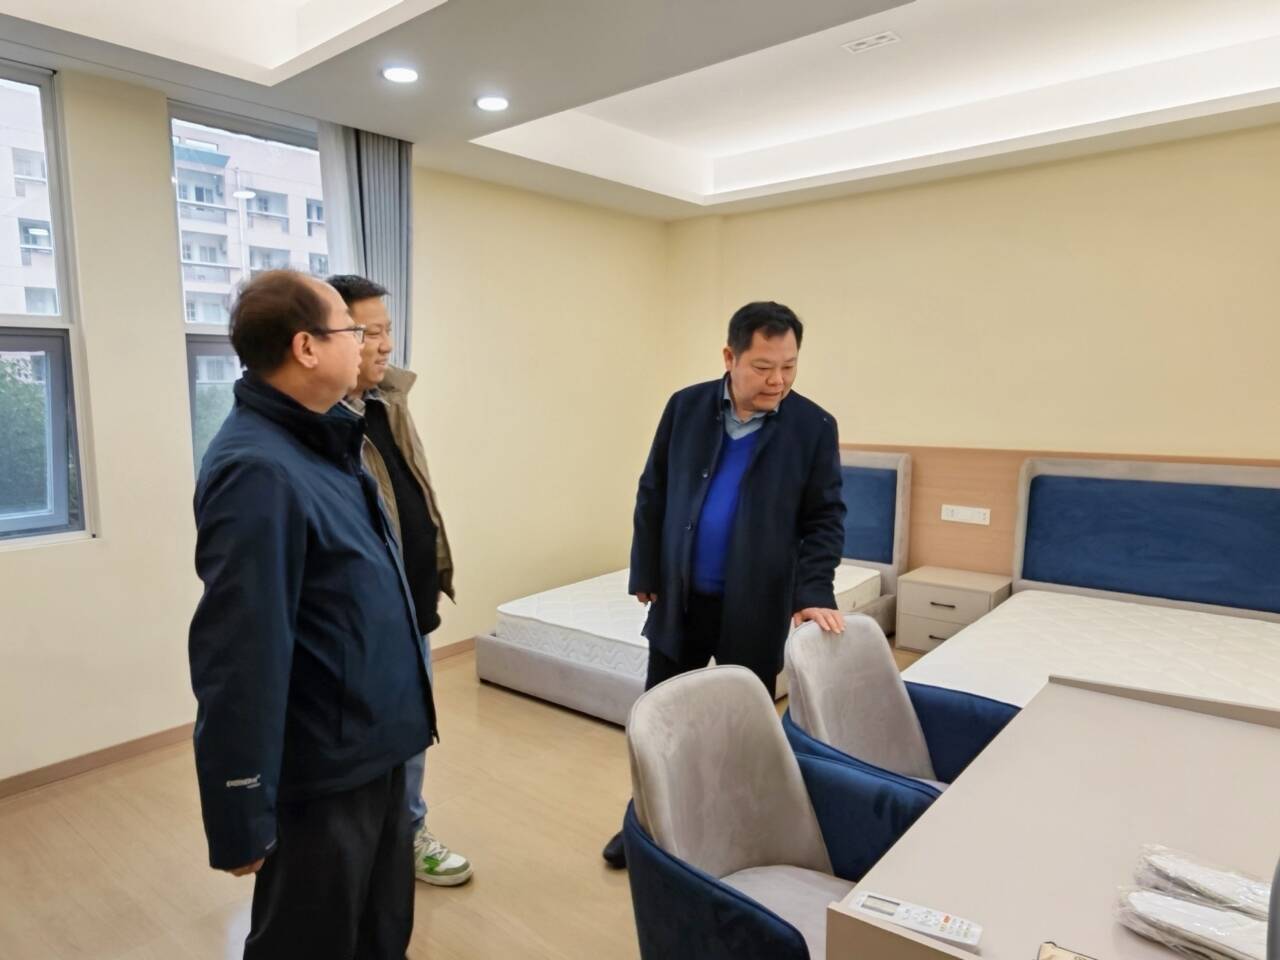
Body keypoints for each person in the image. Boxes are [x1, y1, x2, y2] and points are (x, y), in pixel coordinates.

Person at [188, 270, 436, 958]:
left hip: (377, 745)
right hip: (326, 769)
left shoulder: (328, 439)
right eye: (352, 331)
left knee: (380, 932)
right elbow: (239, 655)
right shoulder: (257, 470)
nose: (368, 344)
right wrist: (241, 809)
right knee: (311, 940)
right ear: (306, 347)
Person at [602, 300, 846, 869]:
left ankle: (733, 834)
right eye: (763, 366)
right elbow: (653, 490)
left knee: (742, 732)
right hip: (681, 602)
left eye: (789, 366)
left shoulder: (813, 427)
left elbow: (824, 519)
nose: (778, 380)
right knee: (661, 724)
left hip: (755, 607)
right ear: (730, 357)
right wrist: (647, 569)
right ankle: (647, 827)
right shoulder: (685, 407)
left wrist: (813, 591)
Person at [328, 273, 472, 886]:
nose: (386, 345)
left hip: (411, 601)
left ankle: (407, 834)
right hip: (366, 619)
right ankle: (371, 848)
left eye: (388, 330)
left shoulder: (387, 401)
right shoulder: (322, 424)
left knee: (411, 732)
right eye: (371, 333)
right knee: (367, 742)